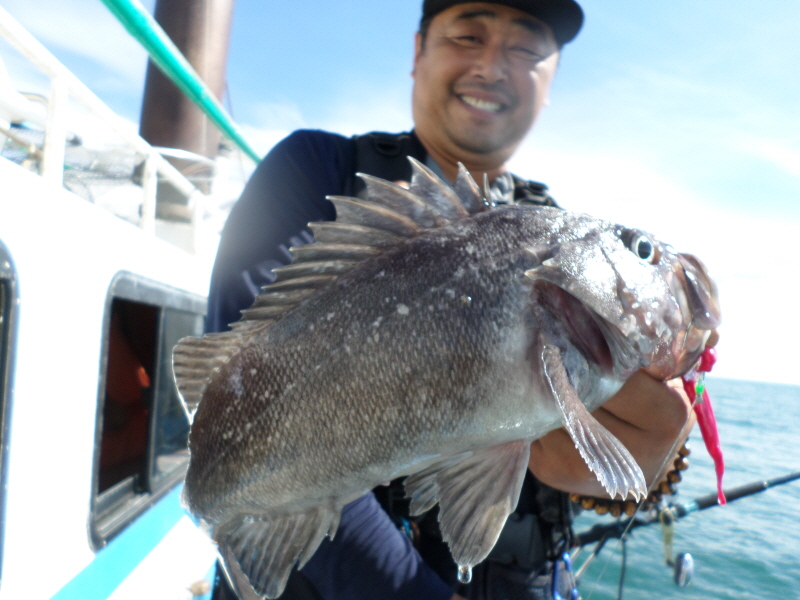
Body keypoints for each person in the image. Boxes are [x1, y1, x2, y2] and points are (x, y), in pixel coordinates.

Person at [207, 1, 706, 598]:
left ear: (549, 84)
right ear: (417, 53)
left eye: (525, 49)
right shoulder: (319, 171)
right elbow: (236, 391)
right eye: (469, 34)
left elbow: (569, 470)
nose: (492, 66)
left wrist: (639, 462)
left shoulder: (556, 227)